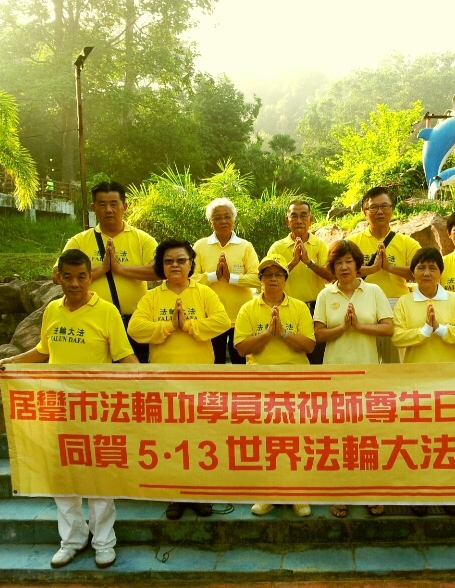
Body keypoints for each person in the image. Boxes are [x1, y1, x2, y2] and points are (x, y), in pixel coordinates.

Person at [0, 249, 138, 569]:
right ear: (57, 277)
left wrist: (151, 380)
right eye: (68, 277)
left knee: (99, 477)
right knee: (62, 476)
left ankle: (103, 542)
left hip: (96, 410)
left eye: (81, 276)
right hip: (58, 408)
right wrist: (12, 361)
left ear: (91, 277)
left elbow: (124, 356)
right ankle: (72, 540)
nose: (75, 283)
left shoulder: (107, 312)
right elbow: (43, 350)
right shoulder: (52, 310)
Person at [127, 239, 231, 519]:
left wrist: (189, 325)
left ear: (191, 264)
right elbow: (135, 329)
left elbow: (222, 321)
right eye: (169, 261)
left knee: (200, 437)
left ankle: (200, 493)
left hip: (200, 380)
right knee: (170, 438)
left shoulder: (204, 292)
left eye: (181, 260)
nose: (175, 265)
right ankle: (175, 495)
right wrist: (168, 327)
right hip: (165, 381)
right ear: (161, 266)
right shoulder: (151, 297)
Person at [314, 239, 393, 519]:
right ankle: (340, 492)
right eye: (338, 263)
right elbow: (318, 335)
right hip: (334, 374)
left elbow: (388, 329)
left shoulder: (373, 291)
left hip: (368, 373)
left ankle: (371, 491)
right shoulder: (326, 295)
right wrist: (343, 329)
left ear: (358, 264)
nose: (344, 267)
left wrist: (359, 326)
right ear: (332, 267)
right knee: (338, 435)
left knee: (367, 435)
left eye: (349, 261)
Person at [234, 254, 315, 518]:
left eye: (278, 275)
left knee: (296, 438)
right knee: (266, 439)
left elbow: (309, 346)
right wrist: (268, 333)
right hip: (260, 382)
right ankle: (268, 493)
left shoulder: (299, 307)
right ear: (260, 279)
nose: (273, 279)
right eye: (267, 275)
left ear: (285, 279)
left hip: (296, 381)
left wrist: (283, 334)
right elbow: (241, 348)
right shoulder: (248, 309)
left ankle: (298, 494)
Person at [56, 181, 157, 363]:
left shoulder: (143, 239)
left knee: (134, 375)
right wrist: (102, 269)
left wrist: (120, 269)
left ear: (124, 206)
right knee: (96, 374)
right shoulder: (79, 241)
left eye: (113, 204)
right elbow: (57, 274)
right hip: (92, 323)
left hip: (133, 323)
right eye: (102, 204)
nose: (108, 210)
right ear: (94, 207)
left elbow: (158, 270)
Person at [348, 186, 421, 363]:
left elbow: (420, 272)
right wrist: (372, 269)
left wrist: (389, 267)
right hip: (362, 304)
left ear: (392, 209)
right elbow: (340, 272)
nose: (379, 211)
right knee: (366, 359)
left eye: (384, 206)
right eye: (373, 207)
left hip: (396, 304)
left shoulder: (407, 242)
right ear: (364, 211)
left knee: (395, 360)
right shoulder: (352, 242)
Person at [193, 198, 260, 364]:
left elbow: (258, 278)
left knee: (240, 365)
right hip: (210, 316)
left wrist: (232, 278)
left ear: (234, 219)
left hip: (240, 317)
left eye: (227, 216)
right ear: (210, 222)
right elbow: (191, 280)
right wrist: (214, 276)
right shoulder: (200, 246)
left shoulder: (245, 246)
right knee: (214, 364)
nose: (223, 221)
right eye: (217, 218)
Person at [267, 198, 332, 364]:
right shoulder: (277, 247)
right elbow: (269, 278)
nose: (299, 221)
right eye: (294, 216)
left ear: (311, 220)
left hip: (316, 309)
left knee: (317, 356)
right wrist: (293, 262)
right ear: (287, 220)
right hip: (287, 309)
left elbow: (330, 276)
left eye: (303, 216)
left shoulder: (320, 245)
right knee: (290, 356)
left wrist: (309, 262)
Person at [392, 247, 455, 364]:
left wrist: (440, 329)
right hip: (416, 371)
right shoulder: (404, 302)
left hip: (450, 370)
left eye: (432, 268)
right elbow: (396, 337)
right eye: (421, 268)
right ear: (413, 273)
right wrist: (425, 331)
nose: (426, 273)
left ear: (440, 273)